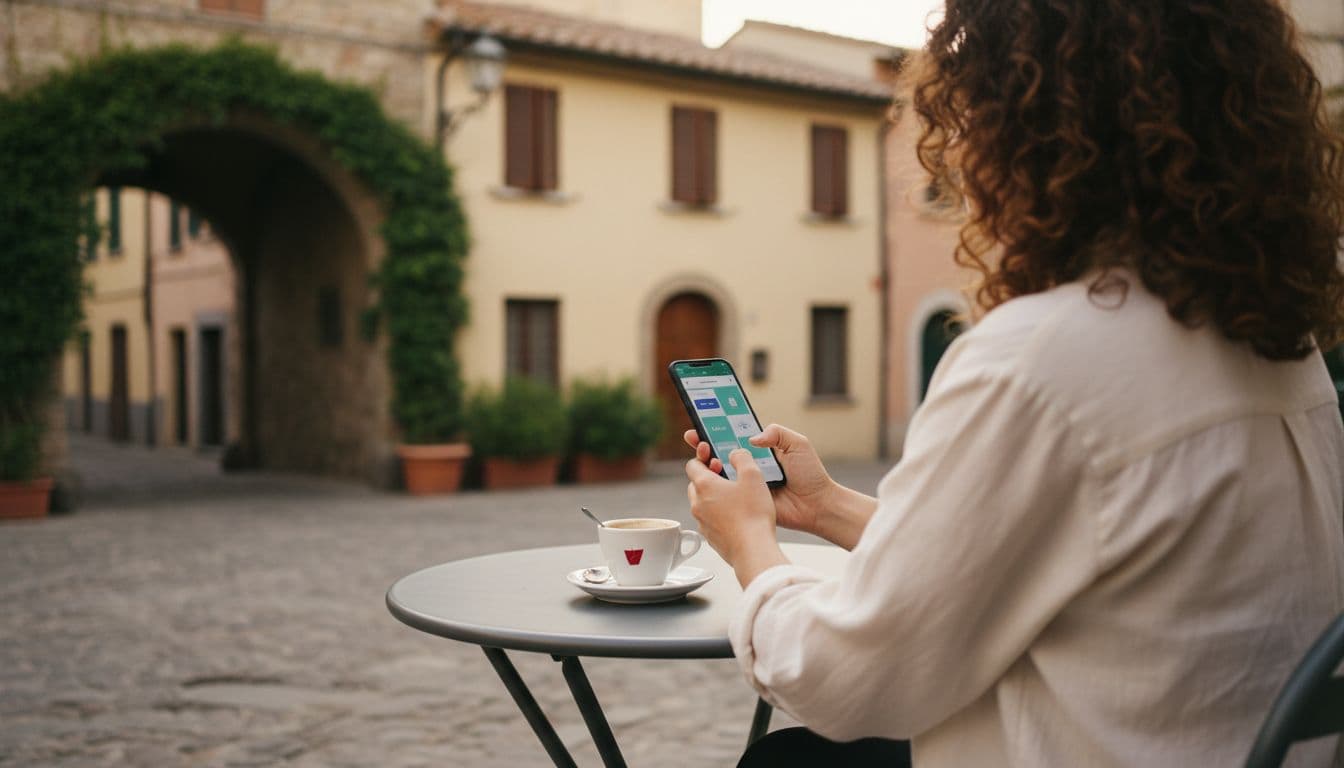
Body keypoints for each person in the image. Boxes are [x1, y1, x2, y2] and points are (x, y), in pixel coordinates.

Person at [683, 0, 1344, 765]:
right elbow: (1030, 557)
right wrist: (827, 506)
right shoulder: (1282, 351)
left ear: (1030, 127)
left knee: (790, 759)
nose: (959, 148)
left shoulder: (1038, 364)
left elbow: (844, 677)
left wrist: (750, 543)